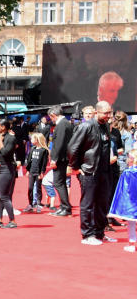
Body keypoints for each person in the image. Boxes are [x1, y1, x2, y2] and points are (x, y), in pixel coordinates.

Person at [69, 101, 115, 245]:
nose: (108, 116)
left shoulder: (106, 126)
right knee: (87, 204)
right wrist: (76, 167)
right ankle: (87, 234)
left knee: (102, 204)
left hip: (104, 172)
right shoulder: (86, 126)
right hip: (89, 171)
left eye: (110, 113)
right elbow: (72, 148)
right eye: (105, 113)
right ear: (97, 112)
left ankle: (99, 233)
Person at [0, 119, 18, 228]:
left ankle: (12, 220)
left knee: (4, 195)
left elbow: (6, 153)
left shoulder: (11, 138)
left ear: (3, 127)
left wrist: (0, 142)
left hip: (6, 168)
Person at [48, 106, 73, 217]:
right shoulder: (65, 123)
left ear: (54, 115)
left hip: (61, 158)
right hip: (63, 157)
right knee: (60, 183)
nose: (51, 120)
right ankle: (64, 206)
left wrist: (54, 159)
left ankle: (66, 207)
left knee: (59, 183)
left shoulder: (62, 124)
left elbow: (60, 143)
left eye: (51, 117)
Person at [24, 132, 49, 213]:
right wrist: (28, 170)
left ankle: (38, 204)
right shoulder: (32, 149)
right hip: (31, 171)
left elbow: (44, 163)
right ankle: (30, 204)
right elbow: (29, 160)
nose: (31, 140)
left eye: (33, 139)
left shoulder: (44, 151)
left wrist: (42, 172)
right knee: (30, 188)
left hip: (38, 172)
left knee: (38, 188)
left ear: (37, 140)